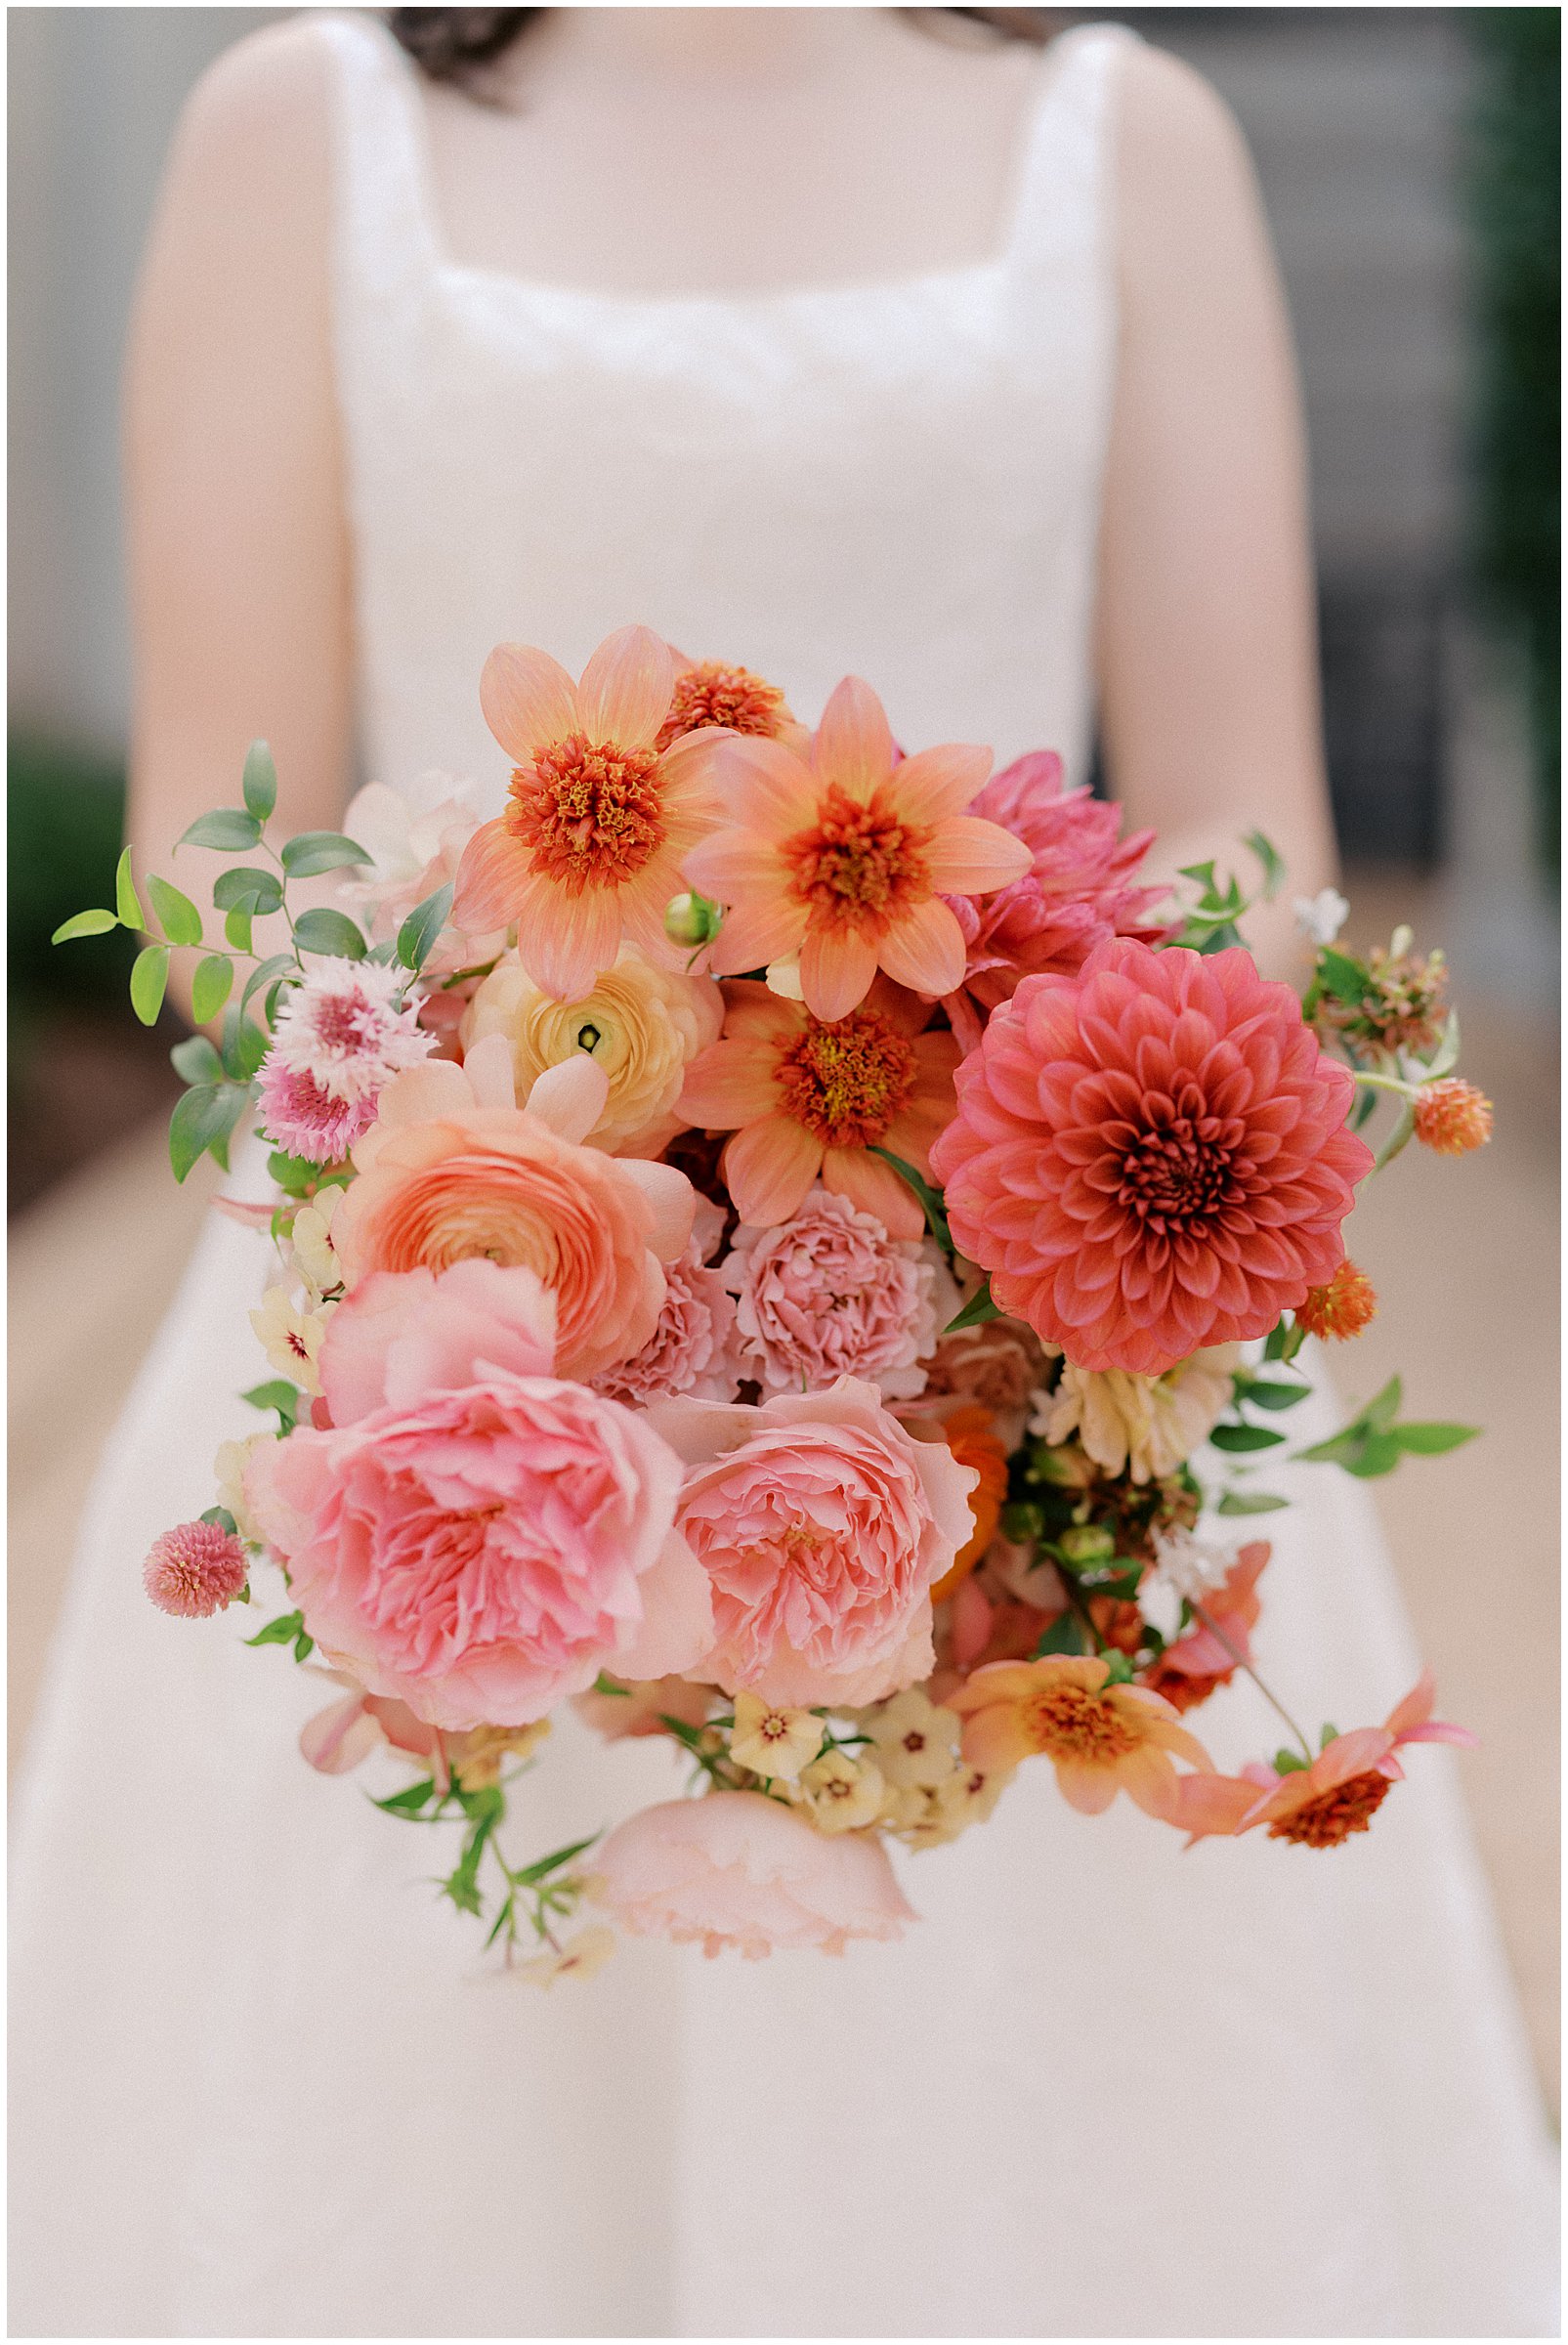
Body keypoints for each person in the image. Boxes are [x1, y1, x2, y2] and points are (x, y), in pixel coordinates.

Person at [11, 11, 1555, 2334]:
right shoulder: (298, 126)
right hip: (450, 1306)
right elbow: (213, 854)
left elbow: (1247, 826)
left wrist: (996, 1181)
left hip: (1004, 1303)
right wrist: (553, 1160)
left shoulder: (1121, 137)